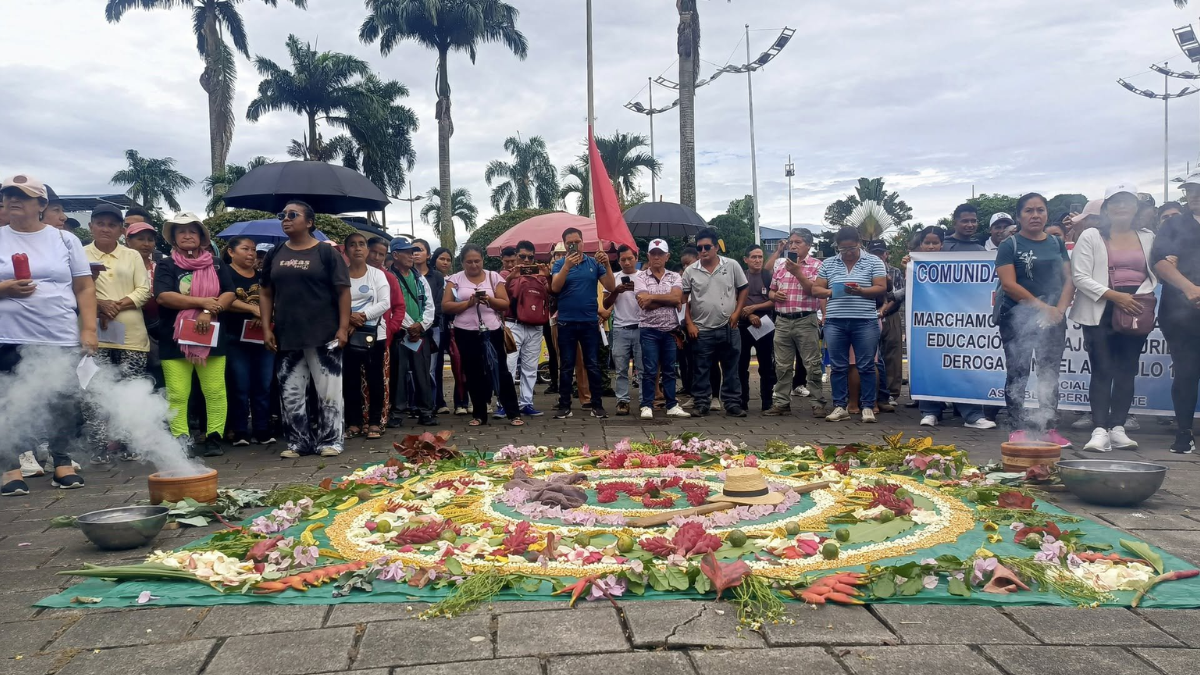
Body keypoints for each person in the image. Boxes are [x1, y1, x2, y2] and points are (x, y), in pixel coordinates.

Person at [0, 174, 94, 495]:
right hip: (7, 336)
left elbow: (83, 286)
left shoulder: (65, 240)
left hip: (58, 334)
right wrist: (6, 288)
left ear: (41, 204)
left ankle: (62, 463)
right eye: (9, 194)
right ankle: (10, 468)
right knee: (8, 401)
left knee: (63, 401)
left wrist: (90, 329)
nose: (13, 200)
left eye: (22, 196)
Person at [1070, 184, 1157, 453]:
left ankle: (1118, 428)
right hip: (1100, 308)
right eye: (1115, 202)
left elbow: (1155, 273)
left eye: (1127, 202)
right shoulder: (1091, 236)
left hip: (1135, 308)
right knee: (1102, 369)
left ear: (1136, 208)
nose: (1121, 207)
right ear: (1106, 207)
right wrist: (1115, 296)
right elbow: (1080, 276)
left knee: (1127, 369)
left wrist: (1135, 298)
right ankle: (1099, 429)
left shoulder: (1149, 237)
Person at [260, 202, 351, 458]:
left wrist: (343, 327)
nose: (286, 219)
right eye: (282, 215)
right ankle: (298, 442)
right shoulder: (275, 252)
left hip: (324, 332)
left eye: (292, 215)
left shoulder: (326, 253)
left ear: (309, 222)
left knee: (328, 390)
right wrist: (267, 327)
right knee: (290, 391)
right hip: (288, 333)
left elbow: (343, 290)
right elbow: (266, 292)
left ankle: (331, 440)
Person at [995, 193, 1075, 447]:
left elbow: (1069, 279)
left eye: (1040, 210)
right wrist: (1043, 307)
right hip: (1017, 316)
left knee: (1049, 372)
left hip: (1053, 317)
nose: (1035, 215)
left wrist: (1058, 310)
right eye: (1029, 211)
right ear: (1019, 216)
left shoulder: (1055, 243)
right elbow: (1009, 284)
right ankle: (1017, 428)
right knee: (1018, 371)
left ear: (1047, 214)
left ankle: (1048, 427)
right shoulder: (1010, 245)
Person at [154, 212, 235, 458]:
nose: (187, 235)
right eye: (181, 231)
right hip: (174, 339)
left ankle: (213, 438)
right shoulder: (167, 265)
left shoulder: (217, 264)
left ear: (201, 237)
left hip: (210, 337)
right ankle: (181, 439)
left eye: (193, 231)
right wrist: (202, 303)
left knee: (215, 391)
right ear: (174, 238)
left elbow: (229, 293)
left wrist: (211, 311)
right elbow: (163, 296)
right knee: (178, 393)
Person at [84, 204, 152, 462]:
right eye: (100, 223)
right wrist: (98, 305)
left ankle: (130, 442)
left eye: (112, 225)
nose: (105, 228)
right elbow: (74, 287)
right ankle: (98, 448)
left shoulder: (132, 256)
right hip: (94, 333)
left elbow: (143, 290)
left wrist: (113, 306)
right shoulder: (79, 254)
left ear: (121, 230)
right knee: (94, 391)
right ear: (90, 226)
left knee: (131, 390)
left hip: (132, 335)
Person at [810, 226, 887, 423]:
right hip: (835, 320)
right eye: (842, 250)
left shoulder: (873, 261)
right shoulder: (829, 263)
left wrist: (861, 291)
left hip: (865, 320)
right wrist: (833, 292)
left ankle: (868, 406)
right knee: (837, 366)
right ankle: (839, 406)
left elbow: (881, 287)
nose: (847, 253)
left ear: (859, 243)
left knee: (867, 365)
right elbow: (816, 289)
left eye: (851, 248)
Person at [443, 244, 523, 427]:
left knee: (500, 369)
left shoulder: (493, 277)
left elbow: (504, 304)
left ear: (483, 260)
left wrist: (489, 300)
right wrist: (469, 303)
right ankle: (479, 414)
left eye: (477, 261)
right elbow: (446, 306)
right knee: (473, 372)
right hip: (465, 331)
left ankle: (513, 412)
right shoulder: (454, 279)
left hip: (492, 330)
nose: (473, 265)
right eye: (469, 262)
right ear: (462, 262)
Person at [1152, 170, 1200, 453]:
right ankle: (1184, 432)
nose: (1195, 195)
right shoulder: (1173, 225)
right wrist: (1190, 289)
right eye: (1191, 190)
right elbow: (1159, 261)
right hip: (1180, 313)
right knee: (1186, 371)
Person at [683, 229, 749, 417]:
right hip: (701, 329)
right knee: (701, 368)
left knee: (731, 368)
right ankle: (702, 403)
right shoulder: (691, 270)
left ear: (716, 247)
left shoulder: (732, 265)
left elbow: (743, 289)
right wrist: (689, 324)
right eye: (699, 248)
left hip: (729, 326)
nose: (703, 251)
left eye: (707, 247)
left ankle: (732, 404)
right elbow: (683, 300)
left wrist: (737, 312)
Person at [550, 228, 615, 419]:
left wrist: (608, 265)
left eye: (577, 241)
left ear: (583, 242)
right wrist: (567, 267)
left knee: (592, 364)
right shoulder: (560, 264)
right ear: (564, 243)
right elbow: (555, 288)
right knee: (567, 365)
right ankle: (564, 405)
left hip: (588, 322)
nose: (574, 245)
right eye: (570, 242)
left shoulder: (594, 263)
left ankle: (597, 405)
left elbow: (611, 287)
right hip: (566, 323)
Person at [221, 236, 275, 447]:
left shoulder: (262, 276)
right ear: (231, 252)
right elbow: (224, 301)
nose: (251, 253)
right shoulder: (224, 274)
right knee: (240, 385)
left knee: (263, 384)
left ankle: (262, 429)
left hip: (262, 337)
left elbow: (273, 300)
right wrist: (254, 309)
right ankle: (240, 430)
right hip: (234, 338)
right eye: (245, 249)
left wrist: (264, 314)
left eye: (253, 249)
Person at [764, 229, 824, 417]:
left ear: (808, 245)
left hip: (805, 320)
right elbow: (770, 292)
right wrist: (775, 295)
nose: (793, 246)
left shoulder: (817, 266)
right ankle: (781, 403)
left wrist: (798, 272)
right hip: (782, 320)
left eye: (798, 242)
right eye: (791, 242)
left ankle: (817, 403)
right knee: (782, 365)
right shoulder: (781, 266)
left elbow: (814, 291)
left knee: (812, 364)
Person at [341, 233, 391, 440]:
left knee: (374, 379)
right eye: (352, 245)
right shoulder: (340, 274)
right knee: (350, 379)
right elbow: (332, 300)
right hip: (347, 334)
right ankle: (353, 423)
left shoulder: (377, 275)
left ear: (367, 250)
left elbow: (384, 302)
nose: (358, 249)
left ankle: (374, 422)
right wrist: (347, 319)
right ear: (346, 251)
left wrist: (361, 317)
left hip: (373, 335)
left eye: (361, 244)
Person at [634, 239, 690, 420]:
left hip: (670, 330)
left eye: (660, 254)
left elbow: (677, 298)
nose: (656, 257)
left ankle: (672, 404)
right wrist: (664, 299)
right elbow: (644, 303)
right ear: (648, 256)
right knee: (649, 369)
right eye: (653, 253)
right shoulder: (640, 276)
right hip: (648, 329)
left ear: (667, 256)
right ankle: (647, 405)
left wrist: (652, 298)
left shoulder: (675, 276)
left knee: (669, 369)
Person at [386, 237, 437, 427]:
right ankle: (397, 413)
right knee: (398, 375)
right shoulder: (388, 277)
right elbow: (391, 306)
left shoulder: (419, 277)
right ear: (396, 255)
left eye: (412, 251)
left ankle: (426, 412)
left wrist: (421, 325)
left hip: (420, 334)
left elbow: (429, 304)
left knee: (422, 373)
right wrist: (409, 326)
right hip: (400, 333)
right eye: (407, 252)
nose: (411, 255)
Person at [505, 240, 549, 417]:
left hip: (535, 325)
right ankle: (505, 403)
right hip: (513, 322)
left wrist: (549, 275)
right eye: (522, 256)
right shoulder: (506, 274)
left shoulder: (540, 276)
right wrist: (511, 277)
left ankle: (526, 402)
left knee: (530, 367)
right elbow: (500, 295)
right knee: (509, 365)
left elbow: (552, 293)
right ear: (515, 256)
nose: (526, 260)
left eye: (530, 257)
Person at [735, 244, 776, 412]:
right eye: (753, 257)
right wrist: (749, 315)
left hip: (765, 323)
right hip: (743, 324)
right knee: (741, 365)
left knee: (766, 365)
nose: (757, 260)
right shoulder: (740, 277)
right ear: (746, 260)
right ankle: (741, 401)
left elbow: (775, 301)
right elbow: (735, 300)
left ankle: (767, 401)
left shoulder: (769, 276)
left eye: (760, 257)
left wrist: (754, 309)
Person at [604, 245, 642, 415]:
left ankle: (644, 401)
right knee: (620, 369)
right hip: (620, 327)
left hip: (642, 327)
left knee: (643, 368)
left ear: (636, 258)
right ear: (618, 260)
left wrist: (638, 291)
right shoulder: (614, 278)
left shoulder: (643, 277)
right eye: (623, 259)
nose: (626, 262)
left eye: (630, 258)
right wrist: (616, 292)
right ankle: (622, 401)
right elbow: (605, 304)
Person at [412, 239, 448, 415]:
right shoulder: (406, 275)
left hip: (432, 328)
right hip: (409, 329)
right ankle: (414, 405)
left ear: (428, 254)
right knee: (412, 368)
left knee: (431, 368)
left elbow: (439, 304)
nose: (416, 253)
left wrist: (425, 322)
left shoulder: (437, 277)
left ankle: (431, 404)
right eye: (413, 250)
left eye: (420, 249)